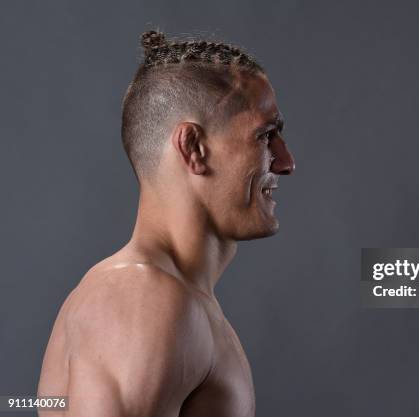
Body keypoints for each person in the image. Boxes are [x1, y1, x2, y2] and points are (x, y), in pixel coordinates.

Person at [37, 29, 295, 417]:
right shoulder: (147, 298)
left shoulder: (177, 300)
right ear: (194, 149)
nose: (286, 162)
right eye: (265, 136)